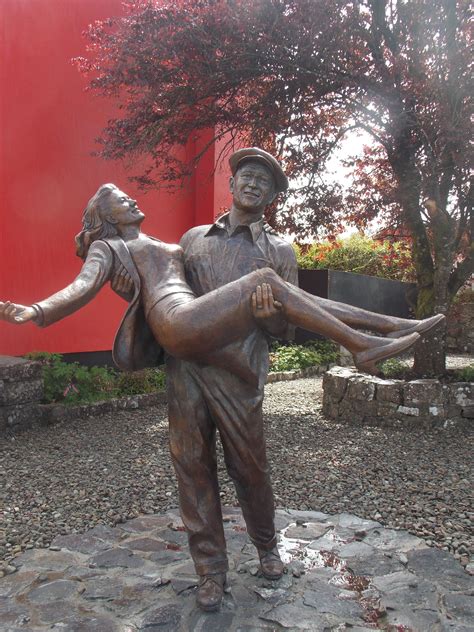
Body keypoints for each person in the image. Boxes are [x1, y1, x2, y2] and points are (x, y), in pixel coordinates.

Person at [0, 150, 443, 611]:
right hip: (187, 365)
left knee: (251, 468)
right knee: (191, 468)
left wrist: (270, 316)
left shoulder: (279, 249)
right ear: (231, 184)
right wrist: (37, 312)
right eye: (245, 176)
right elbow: (96, 285)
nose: (252, 185)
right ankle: (211, 571)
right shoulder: (186, 240)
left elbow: (283, 329)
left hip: (238, 372)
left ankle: (268, 546)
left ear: (273, 196)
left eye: (264, 182)